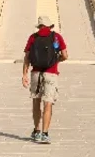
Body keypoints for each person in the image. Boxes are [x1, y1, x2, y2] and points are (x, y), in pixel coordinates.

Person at [22, 15, 68, 144]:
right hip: (51, 73)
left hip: (36, 73)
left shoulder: (33, 37)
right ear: (50, 26)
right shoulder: (56, 37)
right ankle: (45, 134)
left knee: (36, 102)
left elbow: (27, 57)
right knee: (48, 103)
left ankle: (36, 131)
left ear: (39, 26)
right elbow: (65, 55)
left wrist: (24, 74)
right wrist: (56, 60)